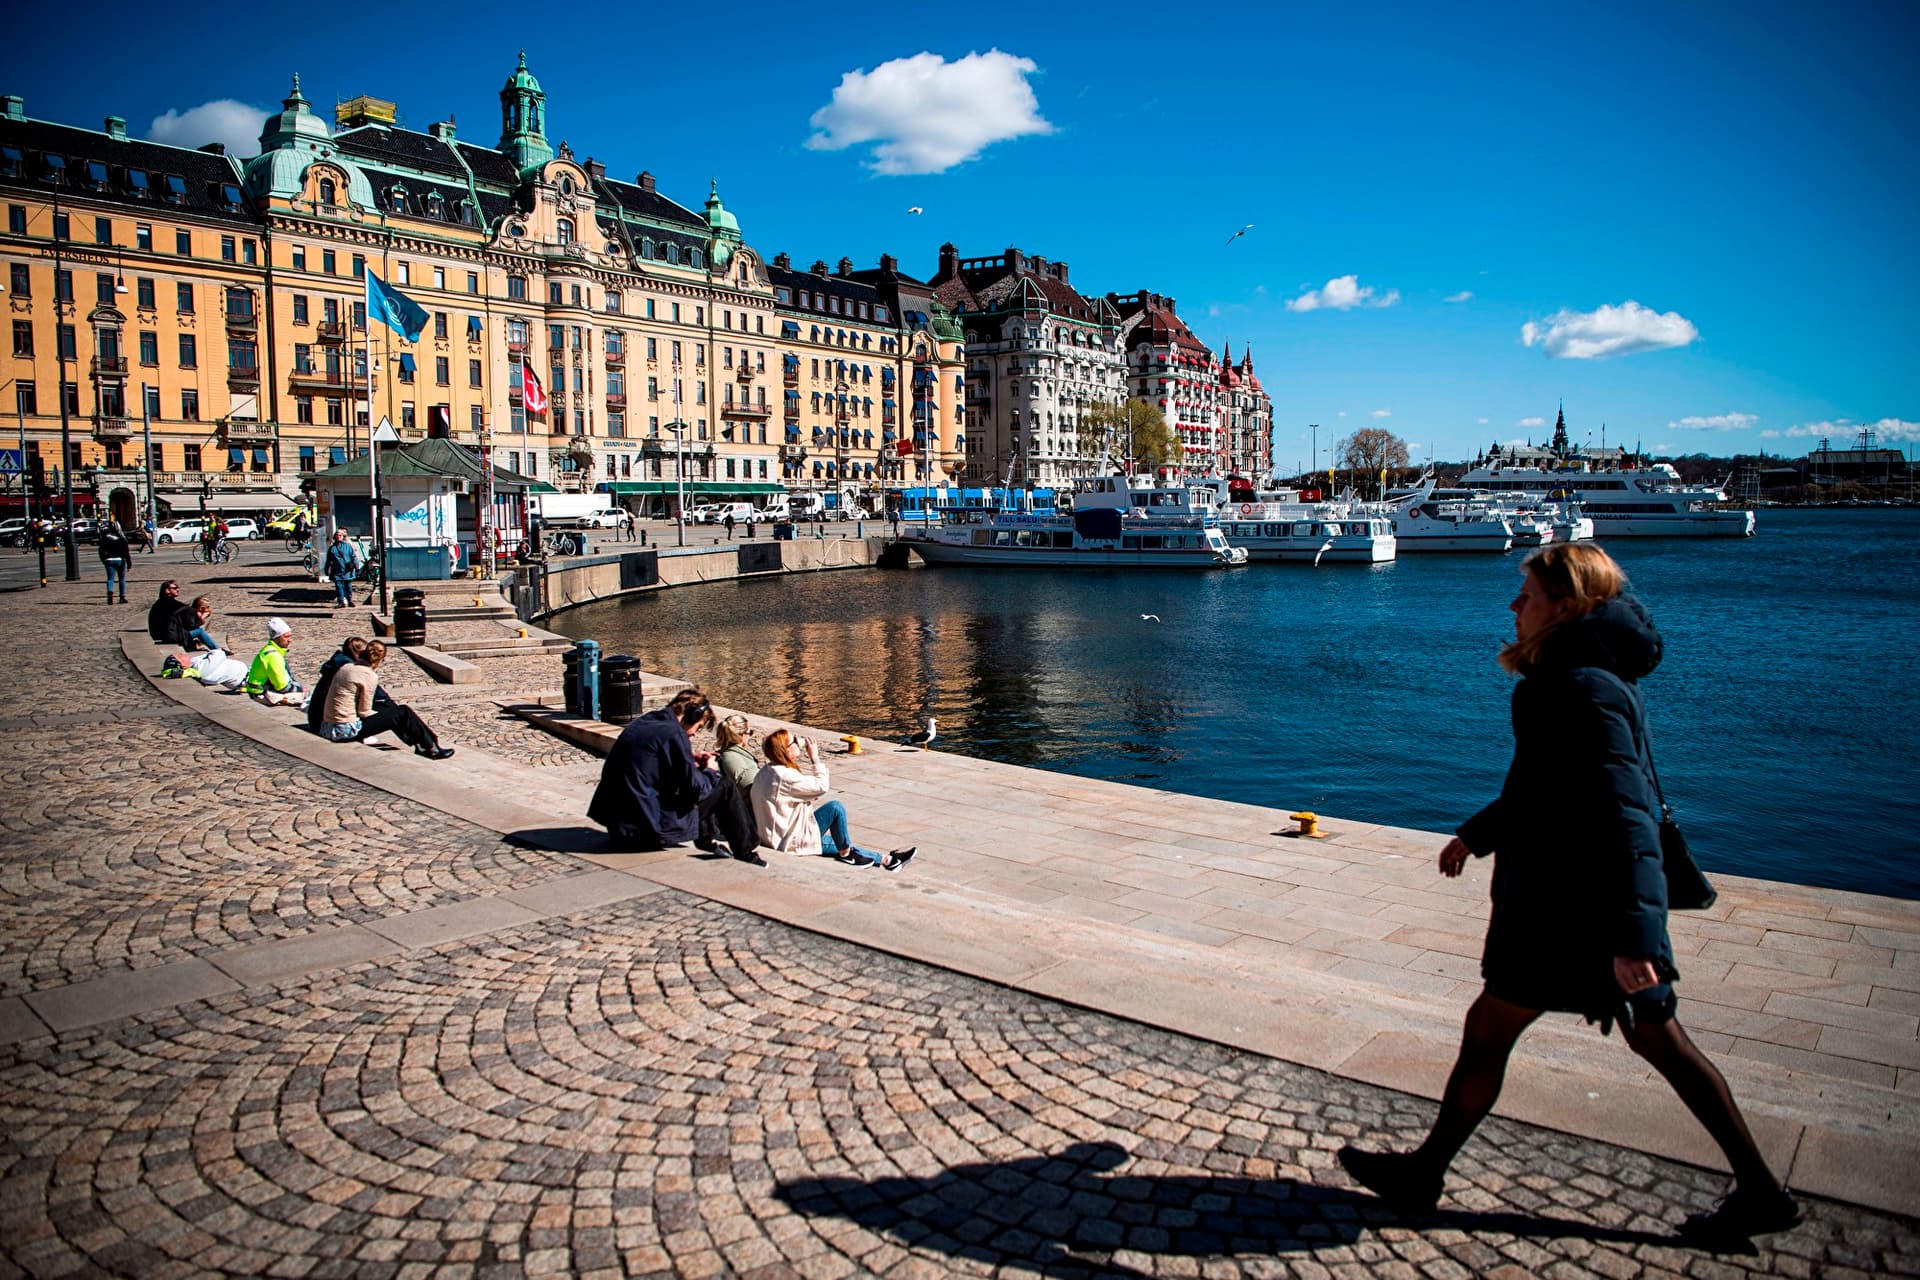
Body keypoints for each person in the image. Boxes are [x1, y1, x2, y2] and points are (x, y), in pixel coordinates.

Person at [1336, 543, 1798, 1246]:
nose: (1514, 606)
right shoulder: (1576, 680)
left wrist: (1636, 941)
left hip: (1571, 913)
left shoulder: (1580, 686)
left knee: (1508, 1031)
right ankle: (1762, 1191)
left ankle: (1425, 1173)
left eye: (1527, 594)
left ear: (1567, 604)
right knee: (1646, 1041)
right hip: (1575, 907)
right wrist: (1477, 835)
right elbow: (1545, 786)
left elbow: (1627, 814)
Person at [587, 687, 763, 863]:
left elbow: (656, 765)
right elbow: (696, 789)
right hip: (646, 829)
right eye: (699, 727)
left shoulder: (647, 721)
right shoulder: (674, 733)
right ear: (691, 716)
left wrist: (690, 757)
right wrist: (710, 769)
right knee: (722, 785)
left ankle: (707, 841)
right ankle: (746, 852)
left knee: (701, 778)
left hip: (618, 825)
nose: (694, 733)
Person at [750, 728, 915, 871]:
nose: (798, 741)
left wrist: (806, 794)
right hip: (789, 840)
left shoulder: (766, 772)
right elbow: (822, 786)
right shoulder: (785, 776)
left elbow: (791, 794)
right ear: (787, 750)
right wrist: (814, 757)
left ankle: (889, 860)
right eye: (794, 740)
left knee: (840, 841)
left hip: (777, 833)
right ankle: (852, 855)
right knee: (836, 808)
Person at [318, 640, 454, 759]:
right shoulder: (368, 675)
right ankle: (431, 747)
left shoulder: (346, 667)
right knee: (402, 712)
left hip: (327, 726)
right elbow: (364, 711)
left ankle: (422, 744)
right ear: (379, 660)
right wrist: (389, 716)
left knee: (391, 711)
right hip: (344, 730)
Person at [308, 636, 393, 731]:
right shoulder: (354, 670)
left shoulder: (337, 665)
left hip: (317, 720)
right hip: (333, 725)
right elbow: (374, 700)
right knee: (391, 711)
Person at [244, 616, 305, 706]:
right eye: (286, 637)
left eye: (290, 636)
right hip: (263, 694)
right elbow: (282, 687)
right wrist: (300, 689)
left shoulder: (270, 650)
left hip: (258, 691)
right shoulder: (273, 655)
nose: (290, 640)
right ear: (276, 638)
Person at [324, 530, 361, 607]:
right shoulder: (332, 548)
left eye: (340, 535)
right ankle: (341, 602)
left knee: (348, 586)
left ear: (343, 537)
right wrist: (326, 570)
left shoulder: (348, 546)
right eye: (337, 535)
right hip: (336, 570)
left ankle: (350, 600)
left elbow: (353, 556)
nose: (338, 537)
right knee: (339, 586)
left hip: (347, 570)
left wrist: (356, 566)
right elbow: (328, 560)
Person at [97, 518, 130, 604]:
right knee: (122, 579)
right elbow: (126, 552)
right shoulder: (122, 539)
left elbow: (101, 550)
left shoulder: (106, 538)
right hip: (120, 560)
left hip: (109, 560)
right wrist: (129, 562)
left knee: (110, 579)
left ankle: (110, 593)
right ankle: (122, 597)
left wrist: (103, 559)